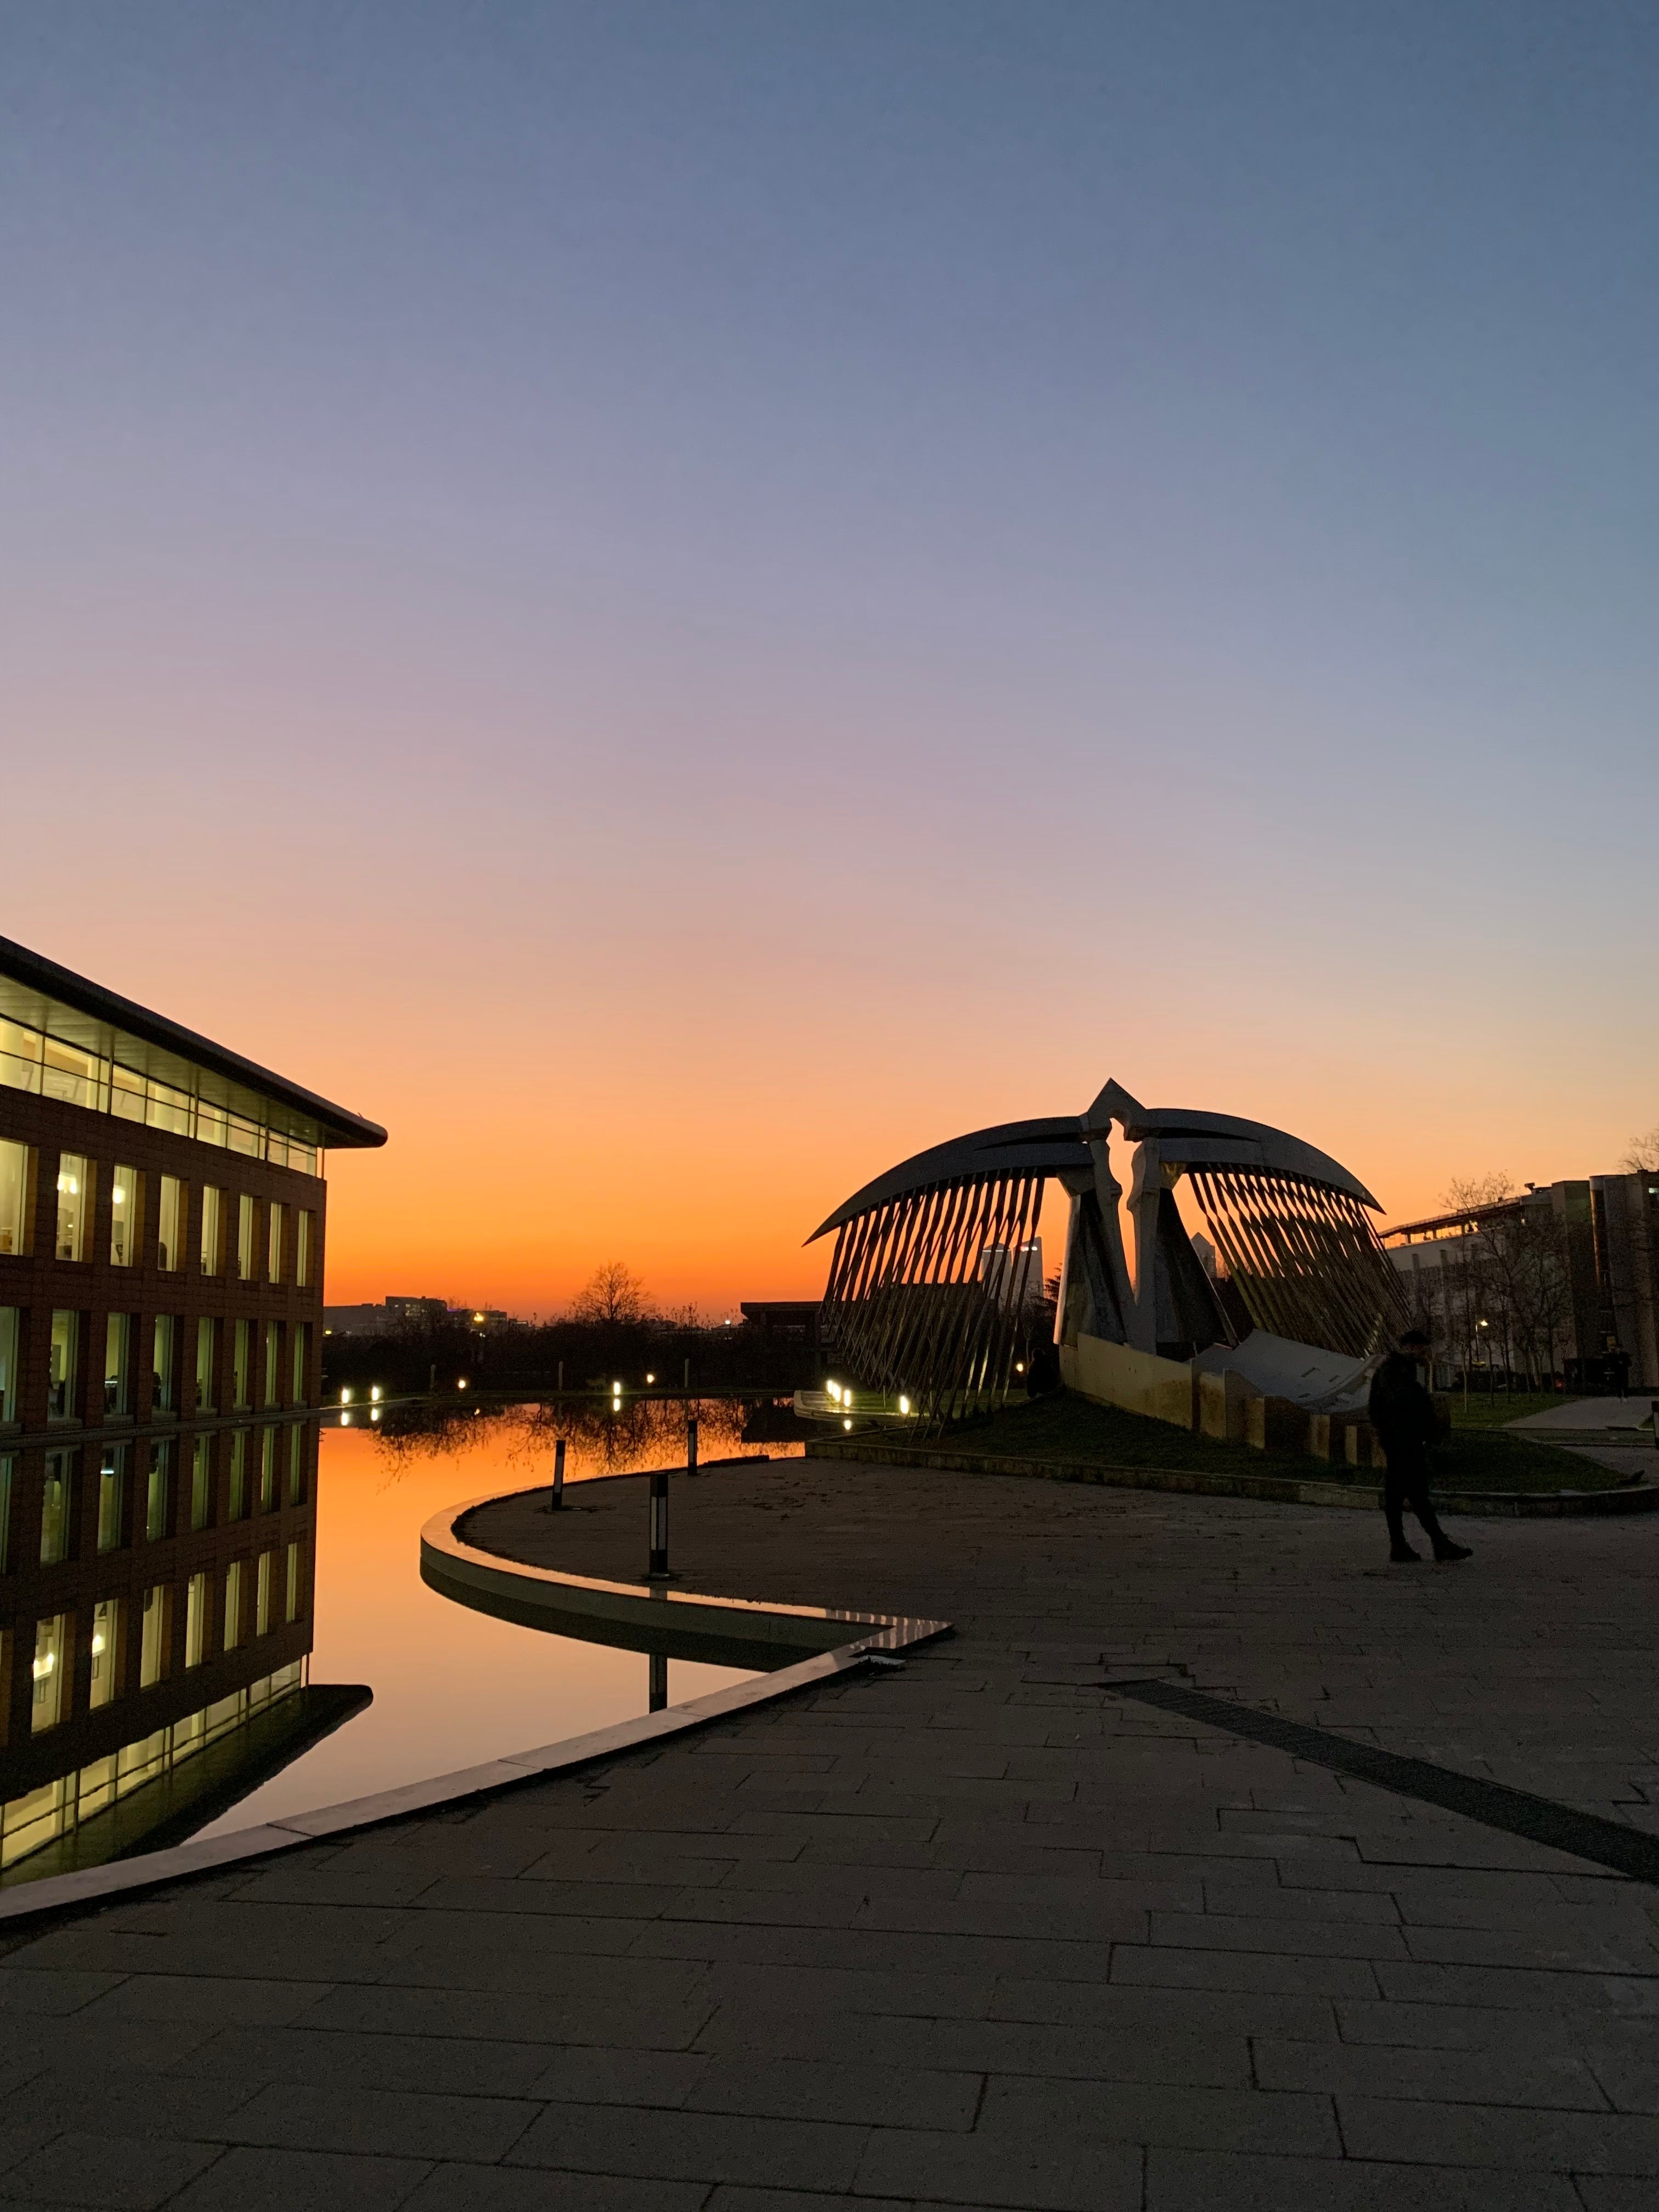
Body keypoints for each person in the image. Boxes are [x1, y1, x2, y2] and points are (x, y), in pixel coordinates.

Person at [1368, 1327, 1471, 1565]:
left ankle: (1403, 1545)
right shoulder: (1397, 1371)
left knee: (1397, 1494)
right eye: (1423, 1349)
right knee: (1416, 1491)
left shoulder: (1394, 1369)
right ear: (1411, 1348)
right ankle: (1437, 1543)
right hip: (1403, 1441)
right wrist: (1420, 1428)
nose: (1426, 1354)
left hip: (1397, 1439)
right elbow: (1404, 1405)